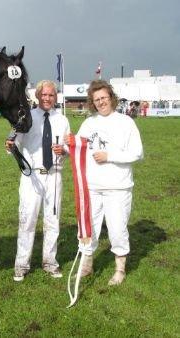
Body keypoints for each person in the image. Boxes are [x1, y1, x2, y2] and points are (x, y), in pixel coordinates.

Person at [65, 80, 143, 286]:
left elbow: (137, 153)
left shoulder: (126, 122)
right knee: (89, 227)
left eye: (104, 98)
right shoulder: (89, 123)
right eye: (96, 99)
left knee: (117, 228)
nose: (101, 102)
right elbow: (78, 146)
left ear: (111, 98)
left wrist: (109, 156)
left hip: (118, 187)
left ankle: (120, 269)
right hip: (92, 187)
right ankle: (87, 266)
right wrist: (67, 146)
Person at [6, 80, 71, 281]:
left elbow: (69, 147)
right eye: (44, 95)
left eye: (51, 95)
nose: (47, 98)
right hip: (31, 175)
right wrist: (9, 145)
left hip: (54, 175)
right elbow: (12, 144)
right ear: (38, 96)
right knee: (27, 219)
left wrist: (65, 150)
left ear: (56, 97)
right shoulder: (26, 118)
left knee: (53, 220)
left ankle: (50, 262)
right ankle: (22, 265)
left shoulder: (62, 120)